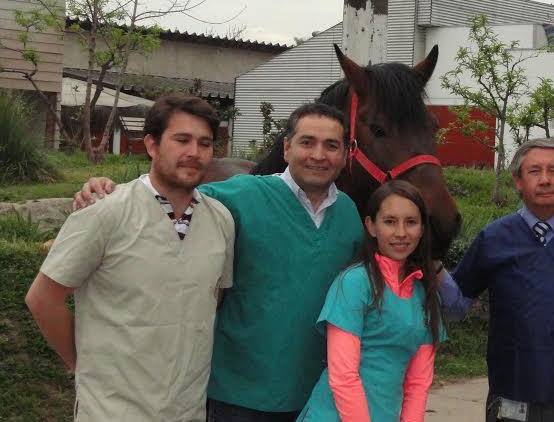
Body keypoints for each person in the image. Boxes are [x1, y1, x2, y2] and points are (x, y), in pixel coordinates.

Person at [72, 102, 364, 421]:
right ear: (286, 147)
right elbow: (165, 193)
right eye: (307, 142)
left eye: (331, 145)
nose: (319, 155)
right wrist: (104, 190)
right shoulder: (237, 196)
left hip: (318, 394)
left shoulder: (350, 214)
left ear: (346, 153)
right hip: (238, 395)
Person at [26, 94, 235, 421]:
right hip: (111, 409)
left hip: (187, 408)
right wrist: (82, 366)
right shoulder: (105, 212)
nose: (194, 152)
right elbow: (43, 298)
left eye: (205, 143)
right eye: (182, 140)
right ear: (151, 145)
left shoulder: (220, 220)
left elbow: (213, 297)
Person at [439, 138, 554, 422]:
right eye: (534, 171)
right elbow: (456, 306)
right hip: (512, 391)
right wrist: (431, 262)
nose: (544, 180)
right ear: (518, 180)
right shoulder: (494, 238)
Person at [297, 180, 444, 422]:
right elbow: (343, 376)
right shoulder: (354, 283)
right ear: (371, 226)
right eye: (389, 221)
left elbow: (418, 383)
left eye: (411, 222)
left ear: (422, 229)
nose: (401, 233)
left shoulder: (426, 293)